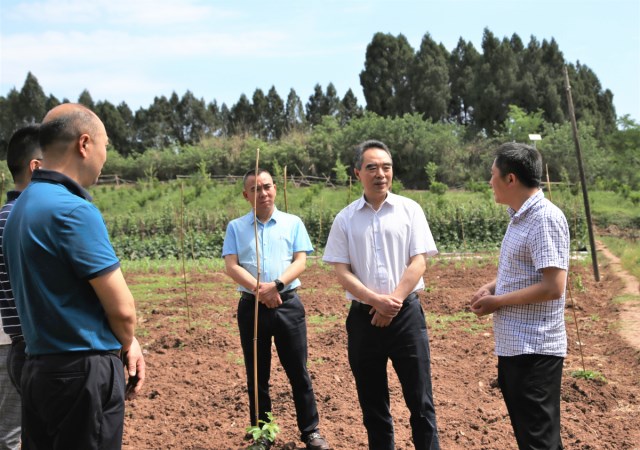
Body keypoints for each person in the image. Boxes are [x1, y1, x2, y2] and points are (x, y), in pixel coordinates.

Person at [3, 103, 146, 449]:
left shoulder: (18, 209)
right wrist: (128, 343)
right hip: (82, 372)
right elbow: (123, 309)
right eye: (106, 146)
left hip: (36, 367)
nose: (105, 157)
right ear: (84, 144)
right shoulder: (74, 210)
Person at [323, 139, 439, 450]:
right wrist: (376, 301)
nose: (380, 174)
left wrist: (393, 302)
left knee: (421, 402)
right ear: (357, 172)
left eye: (386, 167)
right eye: (372, 167)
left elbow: (420, 260)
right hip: (363, 320)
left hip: (407, 318)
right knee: (373, 406)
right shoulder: (345, 218)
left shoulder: (409, 210)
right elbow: (341, 271)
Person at [470, 142, 569, 449]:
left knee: (539, 440)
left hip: (535, 350)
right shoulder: (520, 217)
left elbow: (553, 286)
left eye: (493, 174)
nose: (489, 182)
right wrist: (494, 286)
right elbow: (525, 271)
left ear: (510, 179)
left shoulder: (544, 218)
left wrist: (497, 301)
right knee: (531, 438)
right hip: (517, 346)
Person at [222, 168, 330, 450]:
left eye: (267, 186)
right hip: (252, 308)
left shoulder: (292, 223)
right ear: (246, 195)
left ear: (276, 189)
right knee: (257, 374)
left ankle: (311, 431)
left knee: (299, 371)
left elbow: (300, 261)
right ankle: (262, 434)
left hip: (288, 305)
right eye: (255, 189)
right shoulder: (236, 227)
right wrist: (261, 291)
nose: (263, 193)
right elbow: (231, 265)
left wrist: (277, 285)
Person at [0, 125, 42, 449]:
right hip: (25, 347)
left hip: (12, 344)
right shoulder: (28, 219)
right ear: (36, 167)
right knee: (14, 436)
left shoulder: (5, 216)